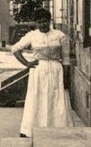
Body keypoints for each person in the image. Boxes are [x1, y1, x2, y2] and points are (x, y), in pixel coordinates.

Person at [11, 8, 73, 138]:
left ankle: (58, 129)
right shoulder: (32, 35)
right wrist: (27, 63)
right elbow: (15, 49)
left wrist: (66, 77)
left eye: (45, 21)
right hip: (39, 71)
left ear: (49, 21)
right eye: (39, 22)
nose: (43, 25)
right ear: (36, 23)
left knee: (57, 99)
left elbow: (66, 59)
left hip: (56, 70)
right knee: (37, 98)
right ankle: (31, 129)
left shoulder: (59, 36)